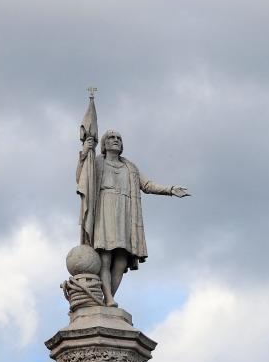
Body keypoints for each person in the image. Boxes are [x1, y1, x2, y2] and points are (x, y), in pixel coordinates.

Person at [77, 129, 189, 306]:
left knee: (121, 260)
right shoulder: (97, 162)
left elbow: (147, 185)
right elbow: (82, 178)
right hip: (105, 208)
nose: (115, 140)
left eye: (119, 138)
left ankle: (105, 299)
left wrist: (170, 190)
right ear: (104, 144)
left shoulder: (130, 167)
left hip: (125, 211)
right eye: (111, 138)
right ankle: (109, 299)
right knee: (105, 257)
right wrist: (84, 154)